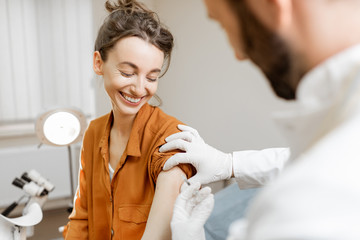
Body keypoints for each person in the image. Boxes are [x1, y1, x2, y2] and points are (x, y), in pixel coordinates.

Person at [166, 0, 360, 239]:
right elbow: (314, 155)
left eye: (225, 26)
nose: (239, 54)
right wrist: (229, 164)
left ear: (274, 6)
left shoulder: (304, 208)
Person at [63, 0, 196, 239]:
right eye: (127, 73)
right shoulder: (93, 133)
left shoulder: (171, 136)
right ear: (98, 63)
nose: (139, 88)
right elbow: (81, 218)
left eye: (152, 77)